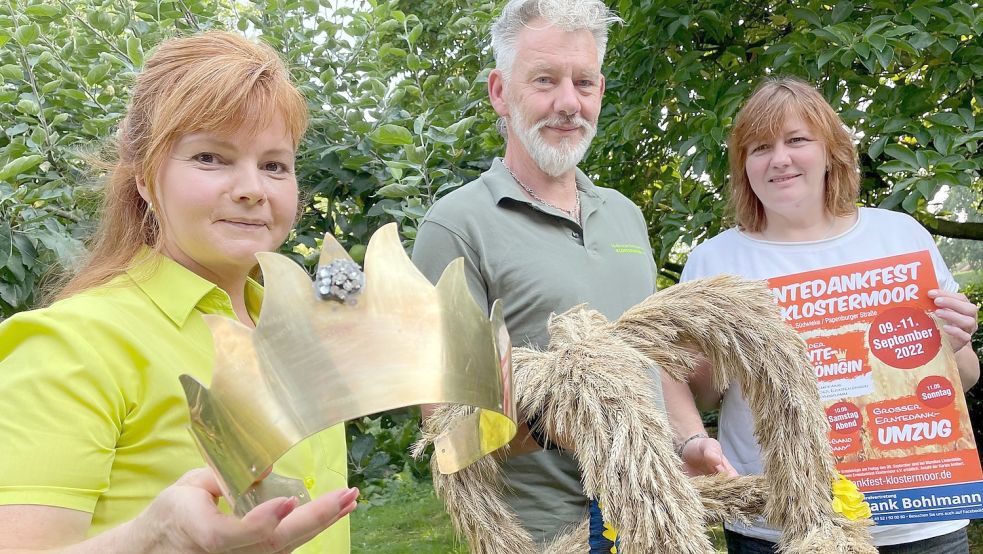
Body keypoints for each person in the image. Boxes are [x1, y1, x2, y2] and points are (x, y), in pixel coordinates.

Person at [0, 32, 356, 553]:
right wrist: (154, 538)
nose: (252, 188)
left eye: (275, 164)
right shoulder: (74, 344)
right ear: (145, 176)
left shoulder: (301, 331)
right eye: (211, 157)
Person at [411, 0, 732, 542]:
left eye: (583, 83)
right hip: (545, 536)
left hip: (656, 523)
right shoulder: (456, 228)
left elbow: (655, 366)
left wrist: (687, 443)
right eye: (544, 80)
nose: (568, 103)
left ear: (601, 92)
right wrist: (559, 420)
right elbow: (447, 435)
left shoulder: (625, 215)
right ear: (499, 92)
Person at [679, 76, 980, 553]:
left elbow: (961, 380)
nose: (779, 159)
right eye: (759, 148)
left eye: (796, 140)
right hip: (780, 528)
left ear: (831, 152)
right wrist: (717, 363)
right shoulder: (714, 262)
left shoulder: (899, 237)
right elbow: (702, 392)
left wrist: (956, 343)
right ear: (744, 167)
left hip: (916, 521)